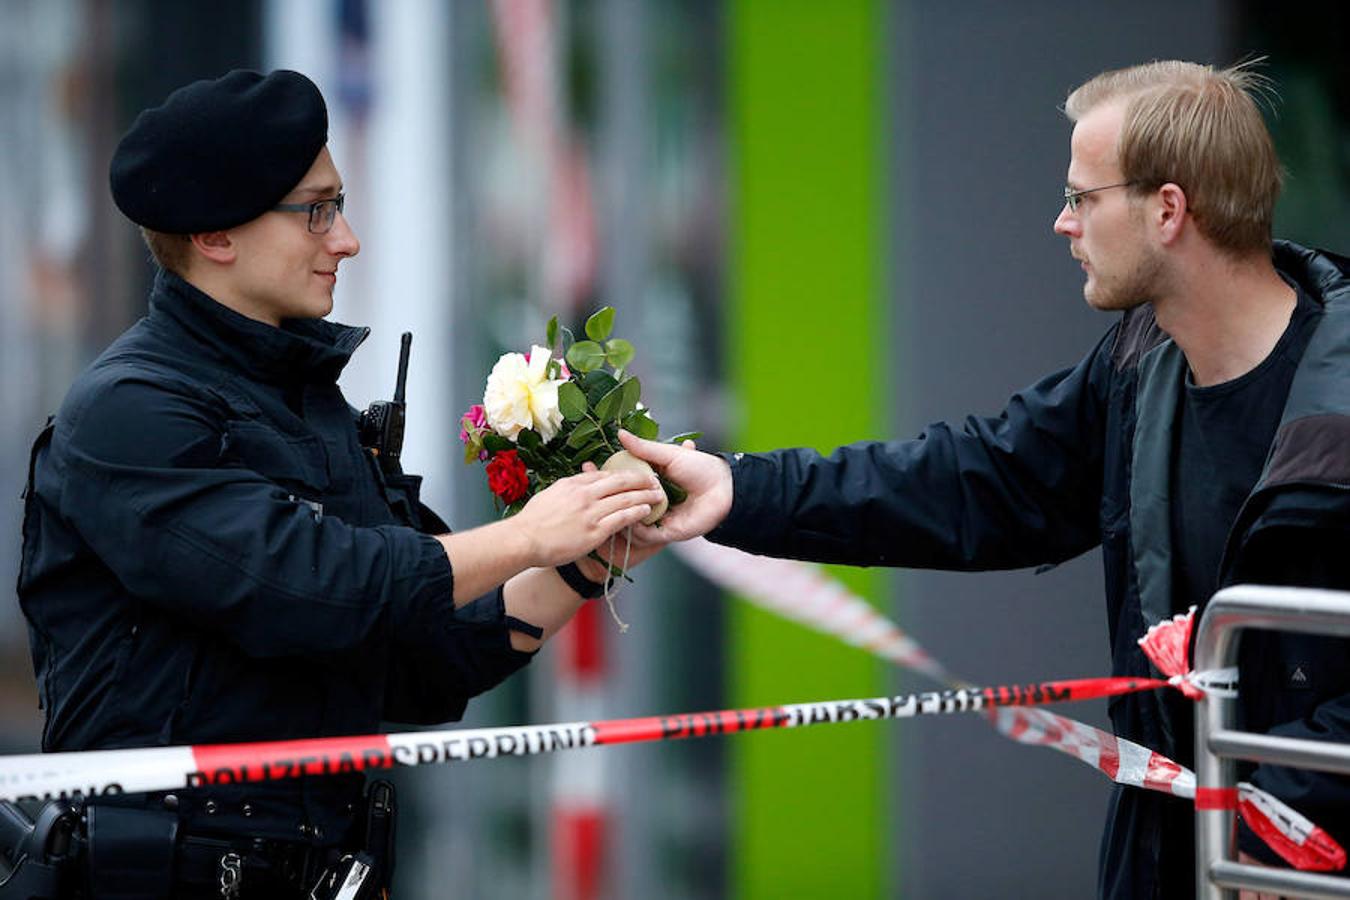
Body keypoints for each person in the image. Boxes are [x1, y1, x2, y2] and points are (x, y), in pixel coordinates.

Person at [621, 59, 1350, 899]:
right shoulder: (1138, 368)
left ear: (1168, 210)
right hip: (1171, 857)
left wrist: (1288, 812)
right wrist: (739, 491)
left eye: (1083, 198)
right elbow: (971, 480)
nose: (1060, 223)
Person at [10, 69, 663, 899]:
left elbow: (425, 651)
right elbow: (308, 585)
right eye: (316, 210)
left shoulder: (308, 402)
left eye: (339, 205)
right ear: (216, 234)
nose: (346, 239)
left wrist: (589, 552)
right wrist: (528, 533)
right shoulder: (129, 411)